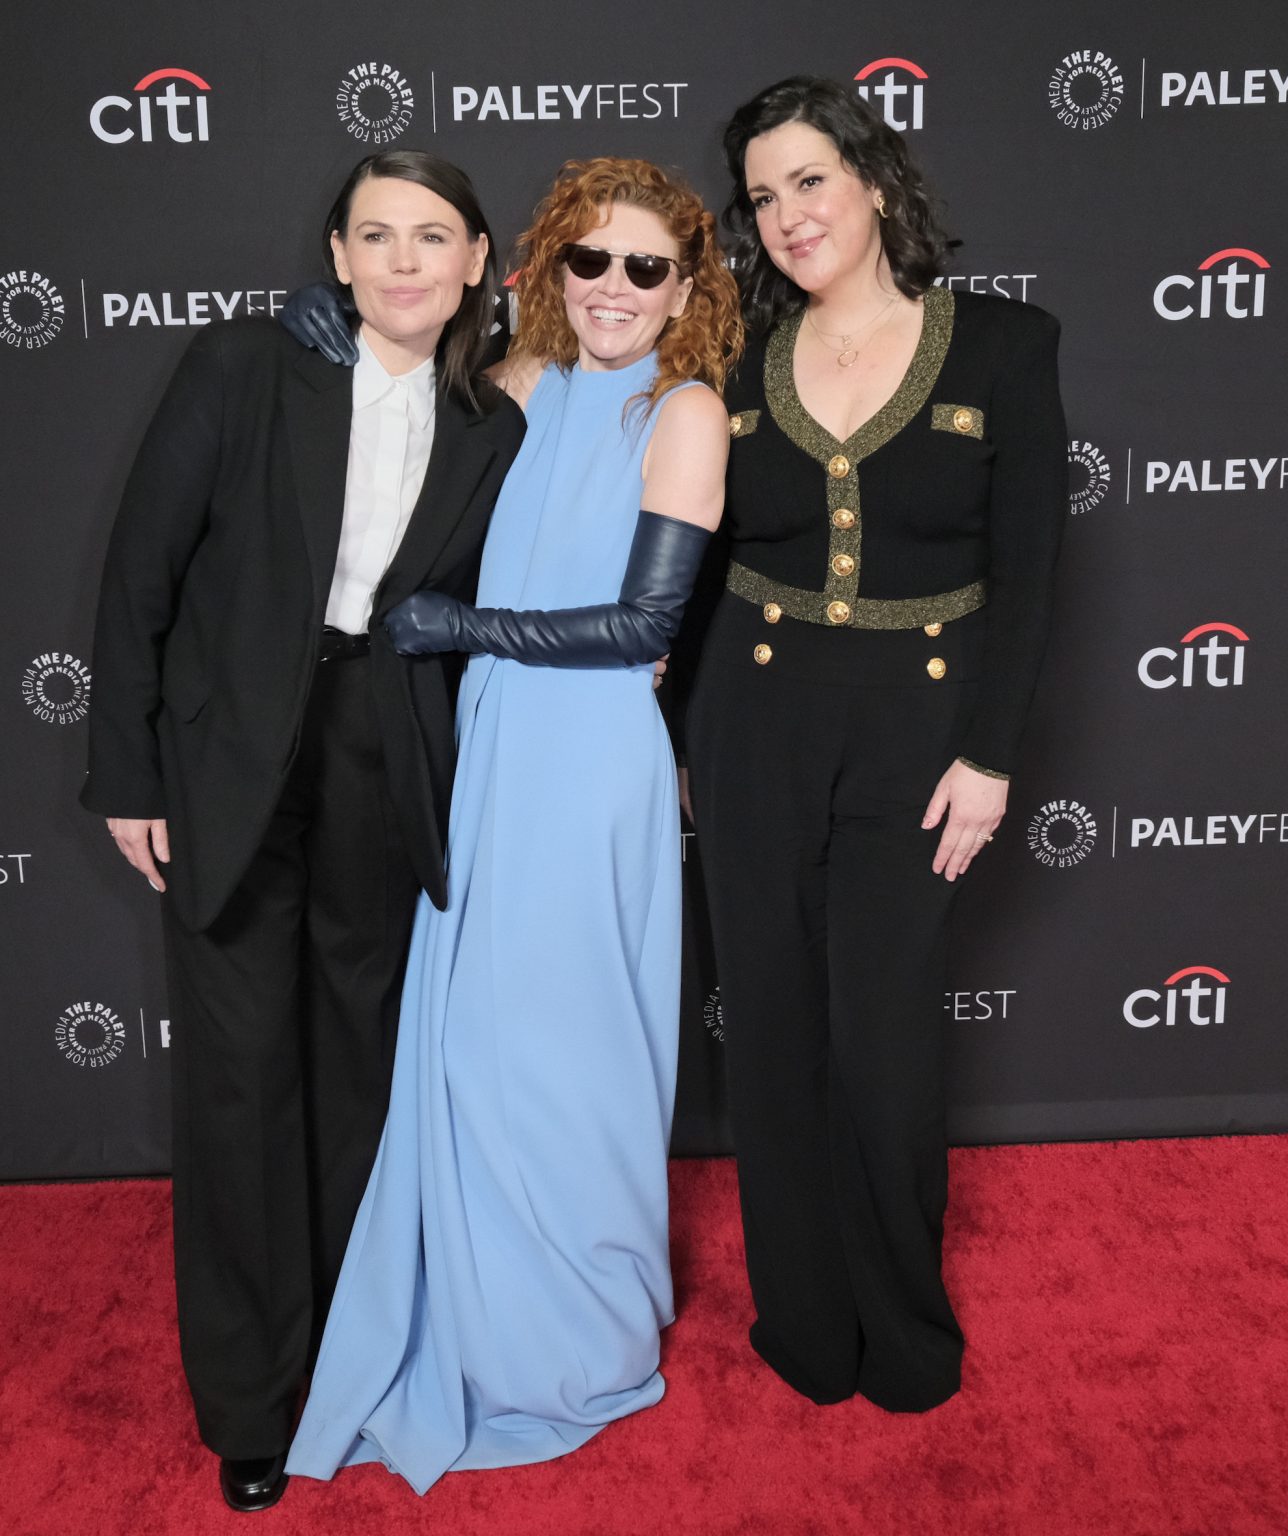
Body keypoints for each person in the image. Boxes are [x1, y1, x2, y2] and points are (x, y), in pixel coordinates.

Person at [282, 156, 738, 1495]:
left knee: (568, 1054)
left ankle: (572, 1328)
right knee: (472, 1044)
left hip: (585, 761)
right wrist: (330, 332)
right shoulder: (518, 389)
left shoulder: (687, 410)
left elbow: (645, 627)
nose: (612, 289)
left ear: (683, 289)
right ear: (542, 269)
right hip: (481, 745)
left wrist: (463, 629)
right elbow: (385, 445)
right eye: (588, 261)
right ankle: (465, 1307)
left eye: (645, 268)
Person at [81, 150, 525, 1511]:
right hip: (226, 768)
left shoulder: (491, 429)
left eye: (430, 236)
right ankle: (249, 1403)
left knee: (358, 1083)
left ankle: (353, 1359)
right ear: (335, 255)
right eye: (374, 234)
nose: (402, 260)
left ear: (475, 263)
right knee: (236, 1091)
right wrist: (126, 775)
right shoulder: (238, 368)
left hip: (380, 769)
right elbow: (139, 571)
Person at [681, 76, 1067, 1413]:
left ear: (870, 179)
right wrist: (680, 739)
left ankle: (904, 1333)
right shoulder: (726, 354)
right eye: (761, 195)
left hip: (917, 732)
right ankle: (805, 1326)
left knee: (884, 1044)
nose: (787, 215)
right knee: (773, 1033)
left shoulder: (1005, 345)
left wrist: (991, 754)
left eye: (808, 180)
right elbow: (699, 558)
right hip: (751, 721)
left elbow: (1028, 574)